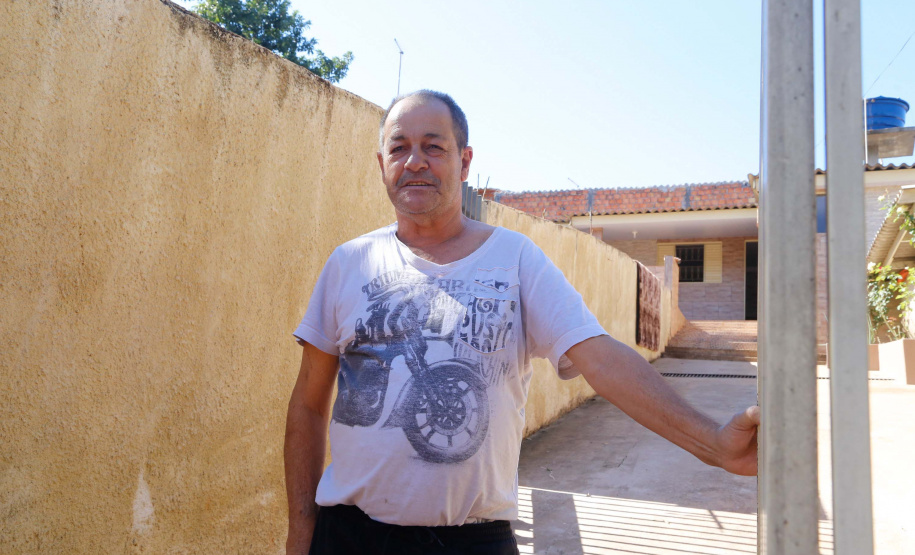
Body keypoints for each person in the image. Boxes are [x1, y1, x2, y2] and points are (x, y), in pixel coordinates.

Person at [284, 90, 760, 555]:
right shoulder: (348, 263)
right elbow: (308, 404)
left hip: (471, 540)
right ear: (382, 164)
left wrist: (714, 445)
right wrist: (301, 533)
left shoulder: (515, 260)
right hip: (347, 536)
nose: (415, 162)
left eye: (433, 146)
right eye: (399, 148)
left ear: (464, 161)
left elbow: (600, 358)